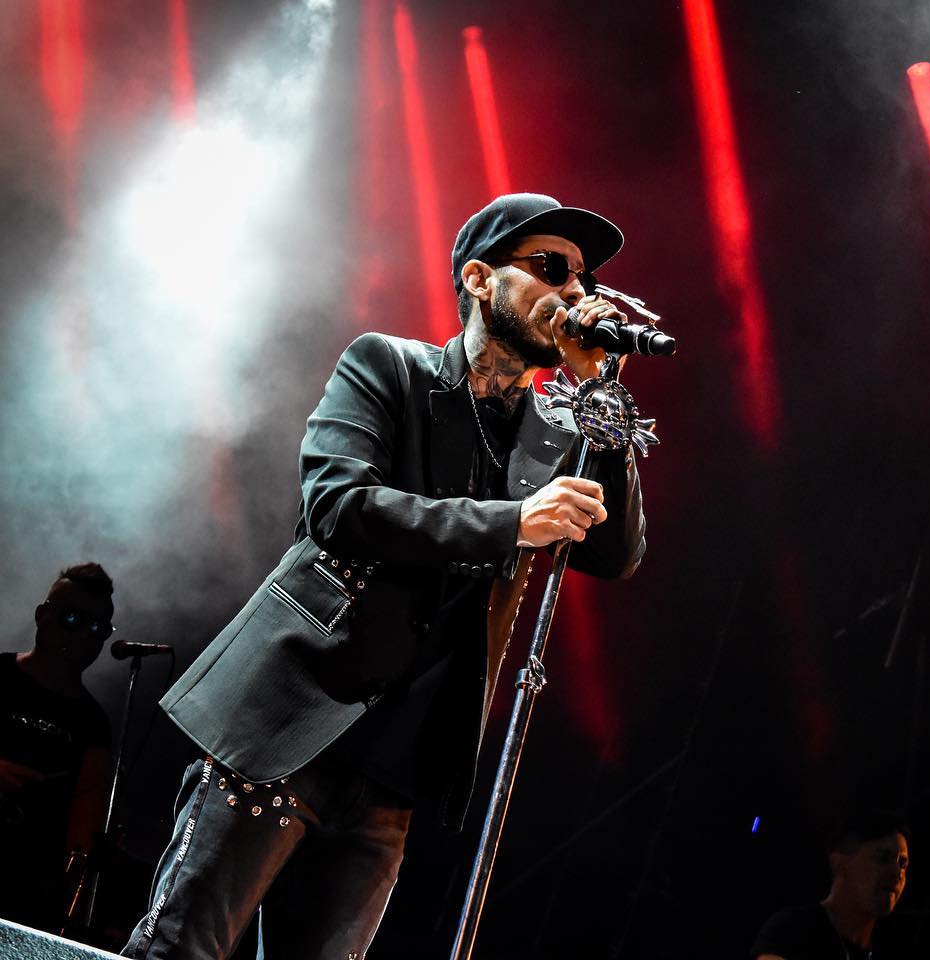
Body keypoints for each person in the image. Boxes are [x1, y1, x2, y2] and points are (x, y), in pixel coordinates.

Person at [122, 193, 646, 959]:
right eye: (550, 268)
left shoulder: (550, 434)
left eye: (583, 280)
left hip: (393, 777)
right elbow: (340, 505)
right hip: (289, 726)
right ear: (478, 278)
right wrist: (510, 522)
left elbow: (616, 553)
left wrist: (603, 398)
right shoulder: (387, 366)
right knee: (181, 951)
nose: (574, 292)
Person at [0, 563, 114, 932]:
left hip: (24, 897)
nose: (82, 635)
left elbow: (82, 832)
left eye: (97, 628)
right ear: (41, 615)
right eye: (71, 618)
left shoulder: (94, 726)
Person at [751, 814, 911, 960]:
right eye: (882, 857)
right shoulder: (793, 929)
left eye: (902, 863)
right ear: (840, 863)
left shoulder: (895, 948)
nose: (897, 872)